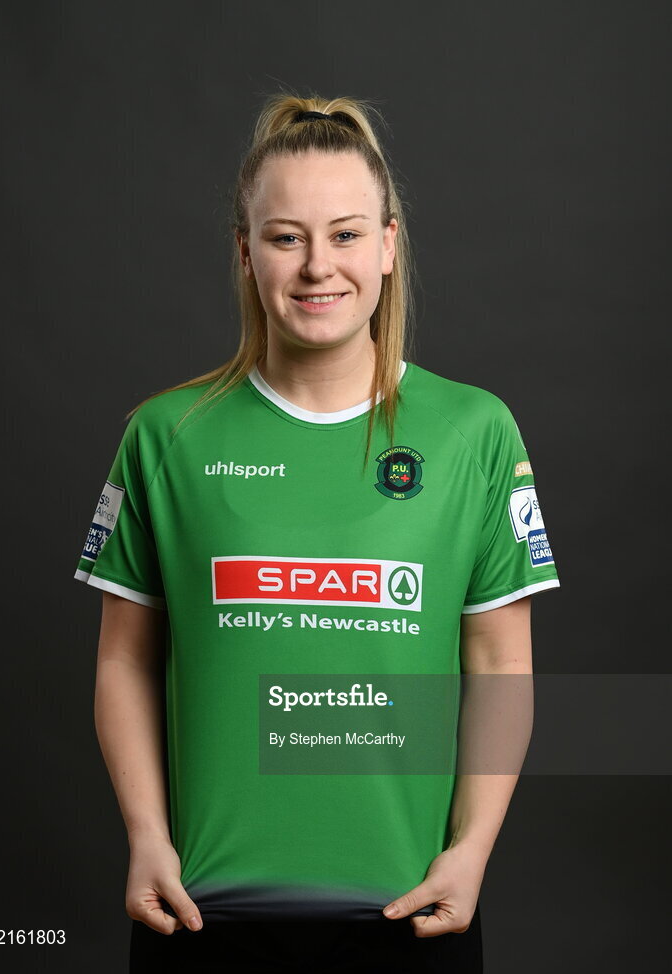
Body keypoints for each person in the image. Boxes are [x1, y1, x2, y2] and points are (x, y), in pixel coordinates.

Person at [74, 91, 560, 973]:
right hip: (200, 917)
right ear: (244, 251)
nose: (315, 269)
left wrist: (472, 851)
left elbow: (499, 665)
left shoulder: (474, 431)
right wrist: (145, 834)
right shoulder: (166, 433)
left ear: (387, 245)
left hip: (412, 915)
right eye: (285, 236)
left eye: (343, 234)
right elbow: (125, 660)